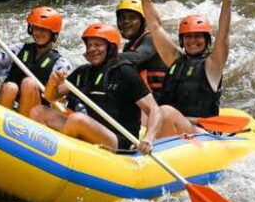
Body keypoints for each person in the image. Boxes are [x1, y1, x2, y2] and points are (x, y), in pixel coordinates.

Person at [29, 23, 162, 155]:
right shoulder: (83, 72)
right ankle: (39, 155)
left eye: (98, 45)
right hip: (91, 130)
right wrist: (53, 82)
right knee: (38, 111)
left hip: (119, 140)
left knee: (78, 119)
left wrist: (149, 138)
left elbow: (154, 110)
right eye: (89, 45)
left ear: (110, 48)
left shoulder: (124, 72)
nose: (92, 49)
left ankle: (59, 155)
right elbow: (51, 96)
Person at [133, 0, 233, 135]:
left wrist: (227, 3)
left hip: (200, 132)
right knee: (141, 106)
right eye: (188, 37)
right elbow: (155, 27)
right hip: (172, 127)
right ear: (182, 40)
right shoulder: (175, 60)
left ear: (206, 40)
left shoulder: (212, 65)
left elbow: (223, 35)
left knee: (164, 112)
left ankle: (150, 139)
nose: (192, 41)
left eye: (198, 36)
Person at [0, 6, 73, 116]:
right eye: (36, 27)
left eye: (44, 29)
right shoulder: (18, 50)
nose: (39, 32)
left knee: (29, 83)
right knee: (10, 87)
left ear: (53, 33)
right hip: (8, 108)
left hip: (33, 117)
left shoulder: (61, 64)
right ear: (31, 28)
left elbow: (62, 100)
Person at [115, 0, 169, 100]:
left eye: (132, 17)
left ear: (143, 22)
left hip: (162, 100)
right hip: (147, 100)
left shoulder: (151, 39)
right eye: (122, 18)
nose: (126, 21)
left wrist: (105, 56)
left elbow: (138, 57)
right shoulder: (129, 47)